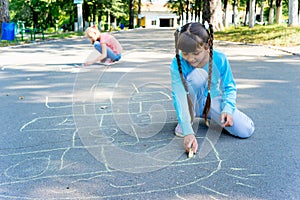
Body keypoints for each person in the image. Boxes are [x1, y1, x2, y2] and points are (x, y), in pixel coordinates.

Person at [170, 22, 255, 155]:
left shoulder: (220, 58)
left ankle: (210, 115)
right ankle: (187, 118)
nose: (190, 59)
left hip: (212, 101)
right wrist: (188, 131)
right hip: (191, 103)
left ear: (207, 45)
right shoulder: (178, 62)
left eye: (195, 53)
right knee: (197, 75)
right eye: (185, 53)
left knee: (246, 130)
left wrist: (227, 108)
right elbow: (179, 95)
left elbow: (229, 86)